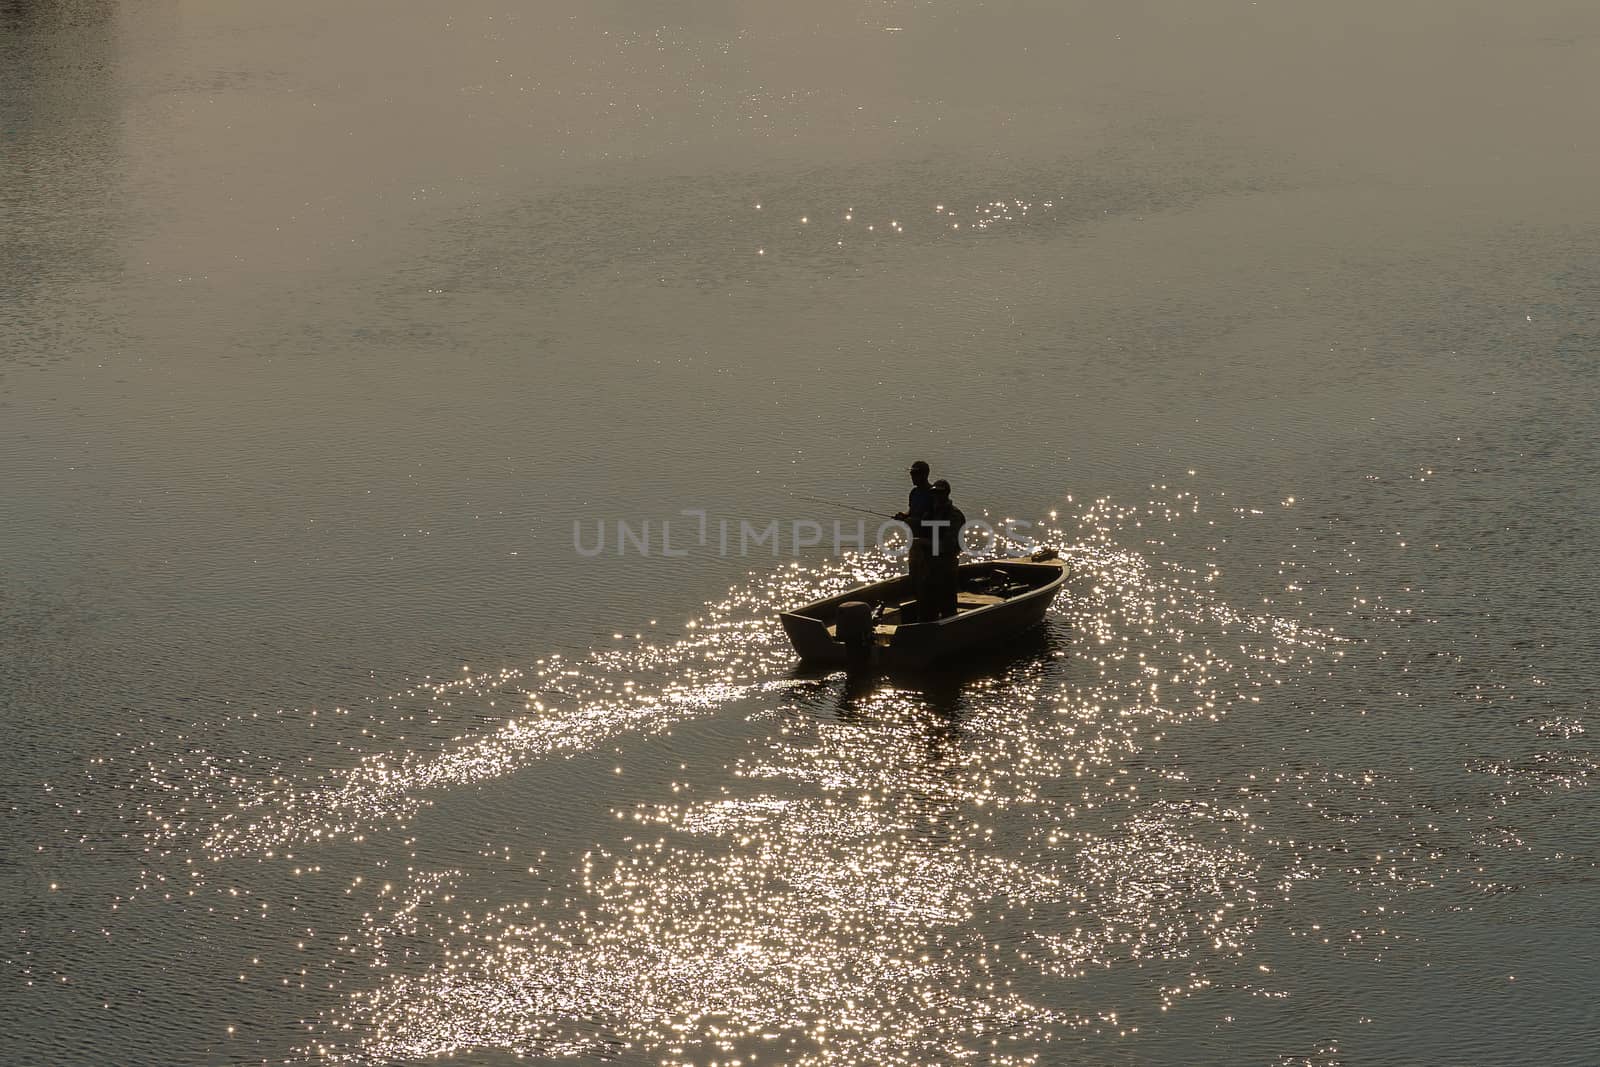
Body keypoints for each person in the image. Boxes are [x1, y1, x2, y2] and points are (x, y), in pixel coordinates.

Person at [893, 460, 935, 619]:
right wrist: (904, 516)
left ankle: (928, 611)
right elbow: (911, 511)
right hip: (914, 542)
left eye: (915, 473)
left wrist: (912, 521)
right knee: (914, 576)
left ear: (924, 475)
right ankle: (919, 605)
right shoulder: (914, 493)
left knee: (927, 578)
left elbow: (932, 521)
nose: (912, 476)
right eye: (911, 473)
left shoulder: (933, 494)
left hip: (928, 543)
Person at [924, 479, 966, 619]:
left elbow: (948, 545)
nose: (936, 496)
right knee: (930, 601)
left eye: (939, 493)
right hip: (931, 563)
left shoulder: (955, 515)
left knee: (947, 600)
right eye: (934, 492)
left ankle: (950, 627)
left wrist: (924, 542)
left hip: (947, 563)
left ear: (946, 494)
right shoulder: (930, 512)